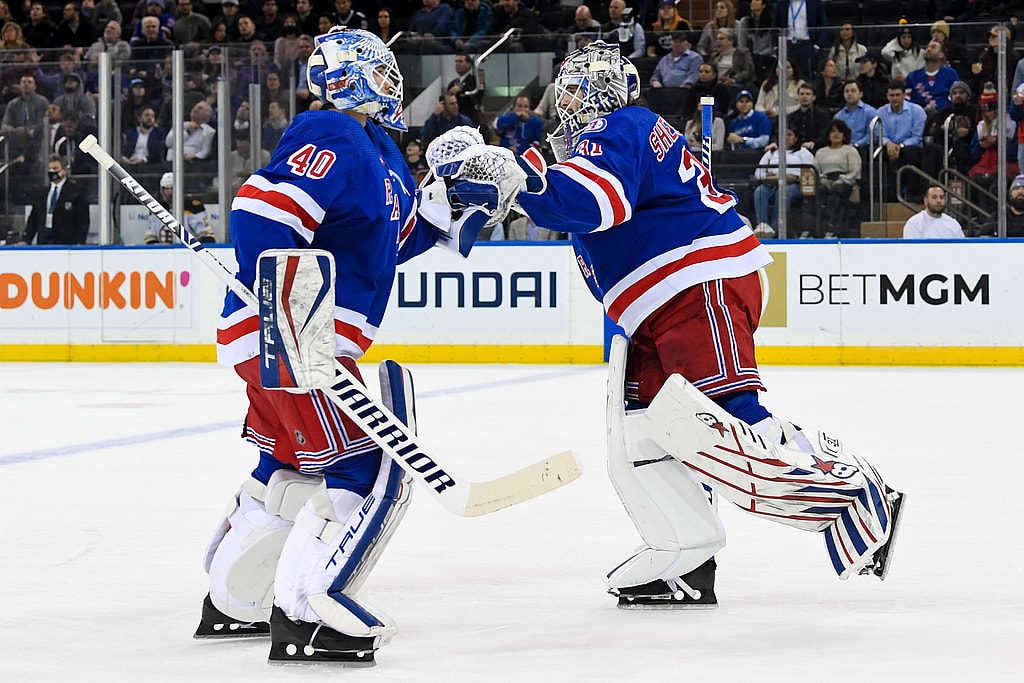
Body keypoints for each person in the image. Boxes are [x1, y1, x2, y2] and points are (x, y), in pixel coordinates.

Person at [438, 39, 904, 608]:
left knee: (727, 422)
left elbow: (595, 200)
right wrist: (476, 182)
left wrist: (519, 181)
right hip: (659, 306)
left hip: (694, 282)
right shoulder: (611, 138)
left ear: (599, 92)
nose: (566, 102)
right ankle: (683, 557)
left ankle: (856, 489)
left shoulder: (618, 126)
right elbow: (555, 187)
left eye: (575, 89)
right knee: (644, 435)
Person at [201, 26, 472, 663]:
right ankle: (309, 616)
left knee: (287, 469)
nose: (391, 83)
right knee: (364, 470)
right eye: (379, 72)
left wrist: (447, 210)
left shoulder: (378, 148)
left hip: (289, 335)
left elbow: (384, 244)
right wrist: (288, 309)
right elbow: (263, 212)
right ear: (348, 79)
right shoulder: (331, 131)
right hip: (293, 334)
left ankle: (234, 602)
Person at [752, 126, 815, 236]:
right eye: (783, 135)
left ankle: (774, 229)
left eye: (789, 135)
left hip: (794, 185)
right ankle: (763, 226)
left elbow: (811, 172)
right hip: (771, 184)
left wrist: (796, 177)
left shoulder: (803, 153)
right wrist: (766, 176)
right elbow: (758, 172)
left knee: (782, 193)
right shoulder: (771, 153)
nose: (785, 137)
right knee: (759, 191)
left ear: (796, 138)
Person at [20, 154, 89, 245]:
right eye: (50, 169)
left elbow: (82, 221)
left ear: (65, 170)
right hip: (44, 241)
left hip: (66, 243)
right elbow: (33, 219)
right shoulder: (41, 194)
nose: (52, 171)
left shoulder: (76, 193)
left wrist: (79, 242)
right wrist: (26, 240)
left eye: (55, 168)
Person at [878, 79, 926, 202]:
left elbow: (917, 137)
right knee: (875, 152)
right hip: (888, 147)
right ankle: (885, 195)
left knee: (910, 152)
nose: (895, 98)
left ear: (904, 95)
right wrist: (888, 143)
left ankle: (912, 193)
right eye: (892, 95)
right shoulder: (880, 112)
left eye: (898, 95)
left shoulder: (917, 111)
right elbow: (879, 134)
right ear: (887, 96)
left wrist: (900, 146)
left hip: (910, 147)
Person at [814, 119, 861, 238]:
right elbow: (815, 170)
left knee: (837, 192)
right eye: (833, 131)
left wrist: (840, 181)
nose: (836, 134)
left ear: (844, 135)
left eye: (839, 132)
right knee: (819, 192)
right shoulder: (821, 152)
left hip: (845, 181)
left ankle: (833, 230)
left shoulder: (850, 150)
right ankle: (818, 230)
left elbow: (855, 171)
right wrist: (823, 180)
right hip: (825, 180)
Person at [144, 171, 215, 244]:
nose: (170, 193)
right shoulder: (157, 209)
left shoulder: (193, 208)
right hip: (163, 251)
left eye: (172, 188)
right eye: (166, 189)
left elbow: (207, 236)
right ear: (162, 190)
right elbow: (151, 238)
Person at [647, 30, 701, 119]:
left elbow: (694, 74)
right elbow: (656, 75)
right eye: (676, 41)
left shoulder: (695, 58)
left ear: (687, 44)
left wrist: (686, 84)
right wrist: (655, 81)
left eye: (681, 42)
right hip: (665, 91)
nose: (678, 44)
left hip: (684, 91)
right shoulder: (664, 59)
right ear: (671, 43)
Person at [905, 40, 960, 114]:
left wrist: (938, 106)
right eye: (927, 47)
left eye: (933, 47)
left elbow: (956, 97)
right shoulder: (913, 76)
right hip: (918, 115)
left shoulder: (951, 74)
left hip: (944, 114)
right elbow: (907, 100)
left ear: (941, 55)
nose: (928, 49)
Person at [834, 79, 878, 151]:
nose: (849, 94)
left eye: (853, 91)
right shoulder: (838, 116)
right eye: (847, 91)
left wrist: (856, 144)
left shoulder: (870, 112)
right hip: (842, 149)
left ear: (860, 94)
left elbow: (873, 135)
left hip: (863, 149)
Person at [228, 127, 269, 194]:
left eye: (245, 147)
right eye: (240, 148)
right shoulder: (231, 156)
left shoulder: (263, 156)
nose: (243, 150)